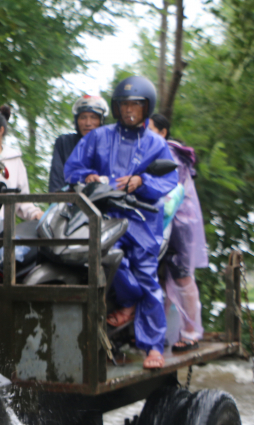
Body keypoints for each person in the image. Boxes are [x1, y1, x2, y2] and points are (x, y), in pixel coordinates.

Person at [64, 75, 178, 369]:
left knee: (147, 277)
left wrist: (142, 181)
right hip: (106, 216)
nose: (130, 110)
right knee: (104, 260)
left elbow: (169, 179)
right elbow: (73, 167)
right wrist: (86, 176)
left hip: (142, 220)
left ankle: (153, 346)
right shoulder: (98, 137)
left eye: (136, 106)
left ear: (146, 109)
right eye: (125, 104)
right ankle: (128, 302)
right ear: (116, 107)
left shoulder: (156, 142)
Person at [149, 112, 209, 352]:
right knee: (159, 277)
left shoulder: (171, 154)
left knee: (182, 276)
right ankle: (157, 334)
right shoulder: (151, 151)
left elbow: (170, 194)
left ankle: (192, 332)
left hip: (179, 224)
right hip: (160, 222)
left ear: (163, 132)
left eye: (149, 129)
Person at [48, 95, 108, 192]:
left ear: (101, 121)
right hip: (70, 202)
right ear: (76, 120)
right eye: (83, 117)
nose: (88, 123)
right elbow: (56, 181)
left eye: (93, 117)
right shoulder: (65, 143)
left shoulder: (110, 145)